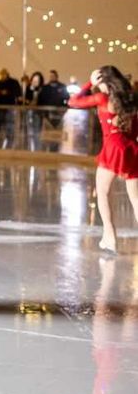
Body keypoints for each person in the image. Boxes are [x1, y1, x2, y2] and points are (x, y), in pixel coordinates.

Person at [68, 66, 138, 254]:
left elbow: (73, 101)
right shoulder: (132, 99)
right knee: (136, 198)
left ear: (104, 82)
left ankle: (110, 237)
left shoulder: (102, 98)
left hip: (113, 147)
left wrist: (90, 82)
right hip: (132, 148)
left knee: (103, 193)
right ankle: (109, 237)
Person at [0, 68, 21, 148]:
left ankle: (9, 146)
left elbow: (17, 93)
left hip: (9, 108)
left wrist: (7, 92)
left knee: (9, 128)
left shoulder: (13, 82)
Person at [23, 70, 45, 150]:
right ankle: (29, 148)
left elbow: (42, 101)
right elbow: (25, 99)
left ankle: (37, 148)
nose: (35, 82)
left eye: (37, 80)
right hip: (29, 112)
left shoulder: (42, 90)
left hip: (38, 113)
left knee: (37, 131)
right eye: (34, 80)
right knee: (28, 131)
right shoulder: (28, 89)